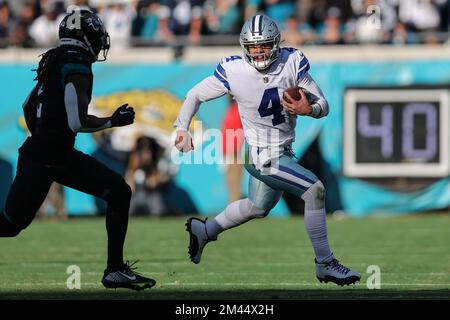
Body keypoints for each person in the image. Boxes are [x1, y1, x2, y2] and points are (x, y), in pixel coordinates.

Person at [174, 14, 361, 286]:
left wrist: (310, 109)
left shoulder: (292, 63)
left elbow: (323, 104)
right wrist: (182, 128)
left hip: (281, 150)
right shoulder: (234, 70)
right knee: (314, 190)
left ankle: (206, 230)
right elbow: (195, 94)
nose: (258, 51)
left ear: (275, 44)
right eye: (253, 46)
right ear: (244, 47)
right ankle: (325, 264)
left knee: (256, 207)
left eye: (263, 45)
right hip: (261, 154)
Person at [0, 9, 155, 291]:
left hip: (47, 152)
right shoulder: (78, 65)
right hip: (51, 154)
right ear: (85, 38)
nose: (99, 43)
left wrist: (44, 136)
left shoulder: (55, 61)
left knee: (119, 191)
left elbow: (27, 106)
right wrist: (112, 121)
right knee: (9, 225)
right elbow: (76, 122)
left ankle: (116, 270)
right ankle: (114, 269)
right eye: (96, 37)